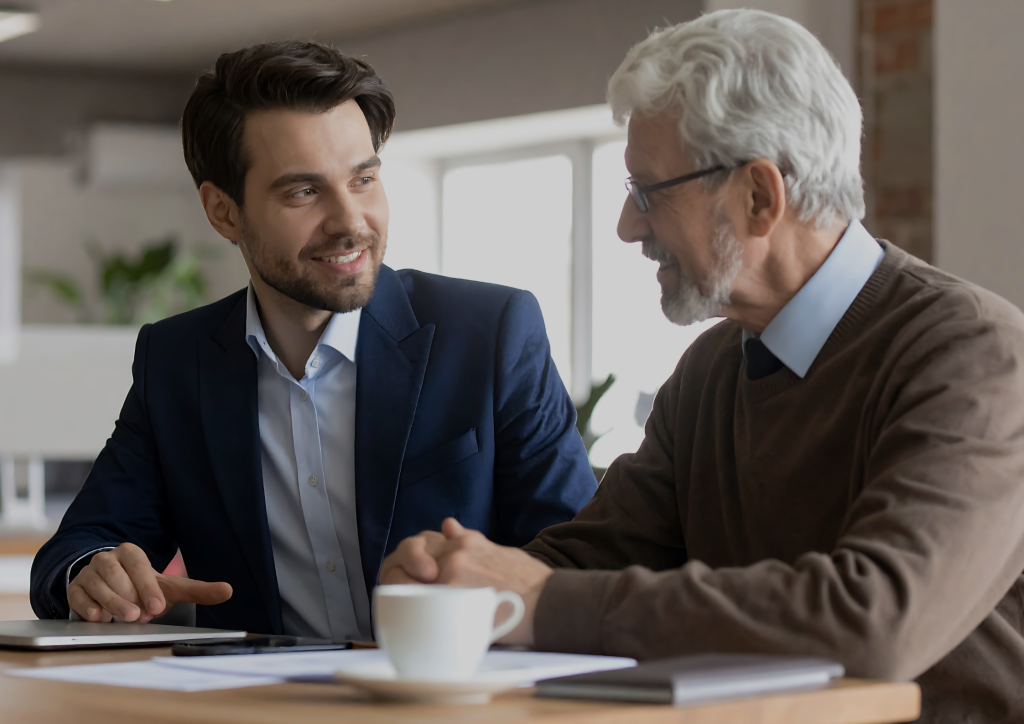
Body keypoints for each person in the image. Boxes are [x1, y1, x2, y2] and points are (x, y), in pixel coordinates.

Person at [380, 10, 1024, 722]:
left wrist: (535, 601)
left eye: (648, 191)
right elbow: (595, 560)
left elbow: (870, 621)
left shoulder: (975, 354)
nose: (628, 226)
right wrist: (458, 578)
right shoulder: (711, 370)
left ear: (758, 196)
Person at [30, 41, 597, 641]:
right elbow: (77, 548)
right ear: (223, 212)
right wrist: (92, 573)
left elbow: (584, 559)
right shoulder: (178, 363)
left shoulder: (490, 333)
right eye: (303, 192)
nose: (350, 220)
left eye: (364, 179)